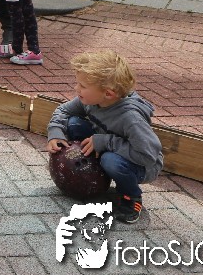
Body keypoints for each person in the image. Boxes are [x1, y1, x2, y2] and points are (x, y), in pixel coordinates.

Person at [45, 51, 163, 224]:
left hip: (142, 164)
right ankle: (93, 169)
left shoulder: (131, 118)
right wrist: (55, 132)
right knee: (74, 123)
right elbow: (63, 110)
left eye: (82, 86)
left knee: (110, 160)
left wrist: (104, 142)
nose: (76, 89)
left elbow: (147, 155)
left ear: (108, 94)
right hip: (110, 146)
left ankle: (131, 197)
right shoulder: (94, 100)